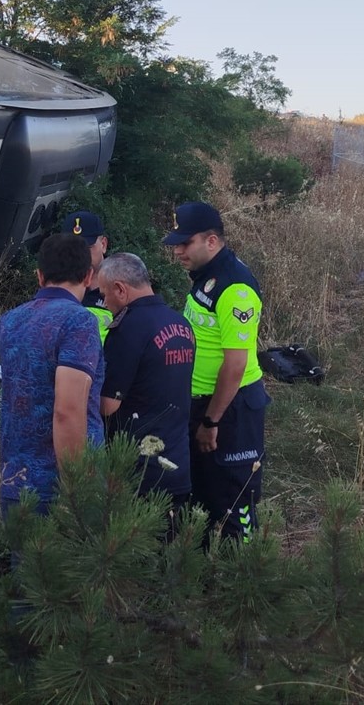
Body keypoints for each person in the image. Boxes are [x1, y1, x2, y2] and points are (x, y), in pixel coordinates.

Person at [162, 201, 270, 543]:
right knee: (204, 494)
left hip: (230, 411)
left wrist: (211, 421)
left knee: (233, 499)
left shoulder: (235, 287)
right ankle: (206, 563)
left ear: (211, 241)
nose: (177, 251)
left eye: (185, 243)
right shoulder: (207, 276)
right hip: (202, 404)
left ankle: (239, 568)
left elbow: (235, 365)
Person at [0, 233, 105, 517]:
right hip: (59, 489)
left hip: (15, 482)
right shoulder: (79, 321)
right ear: (88, 277)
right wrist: (76, 489)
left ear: (39, 276)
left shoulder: (11, 319)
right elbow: (67, 411)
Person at [99, 253, 195, 521]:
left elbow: (107, 405)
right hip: (177, 464)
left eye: (104, 295)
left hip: (138, 471)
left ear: (120, 289)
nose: (104, 303)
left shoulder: (128, 329)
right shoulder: (181, 323)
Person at [60, 210, 113, 341]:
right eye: (71, 249)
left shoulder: (121, 285)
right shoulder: (57, 283)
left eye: (86, 248)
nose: (78, 255)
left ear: (103, 244)